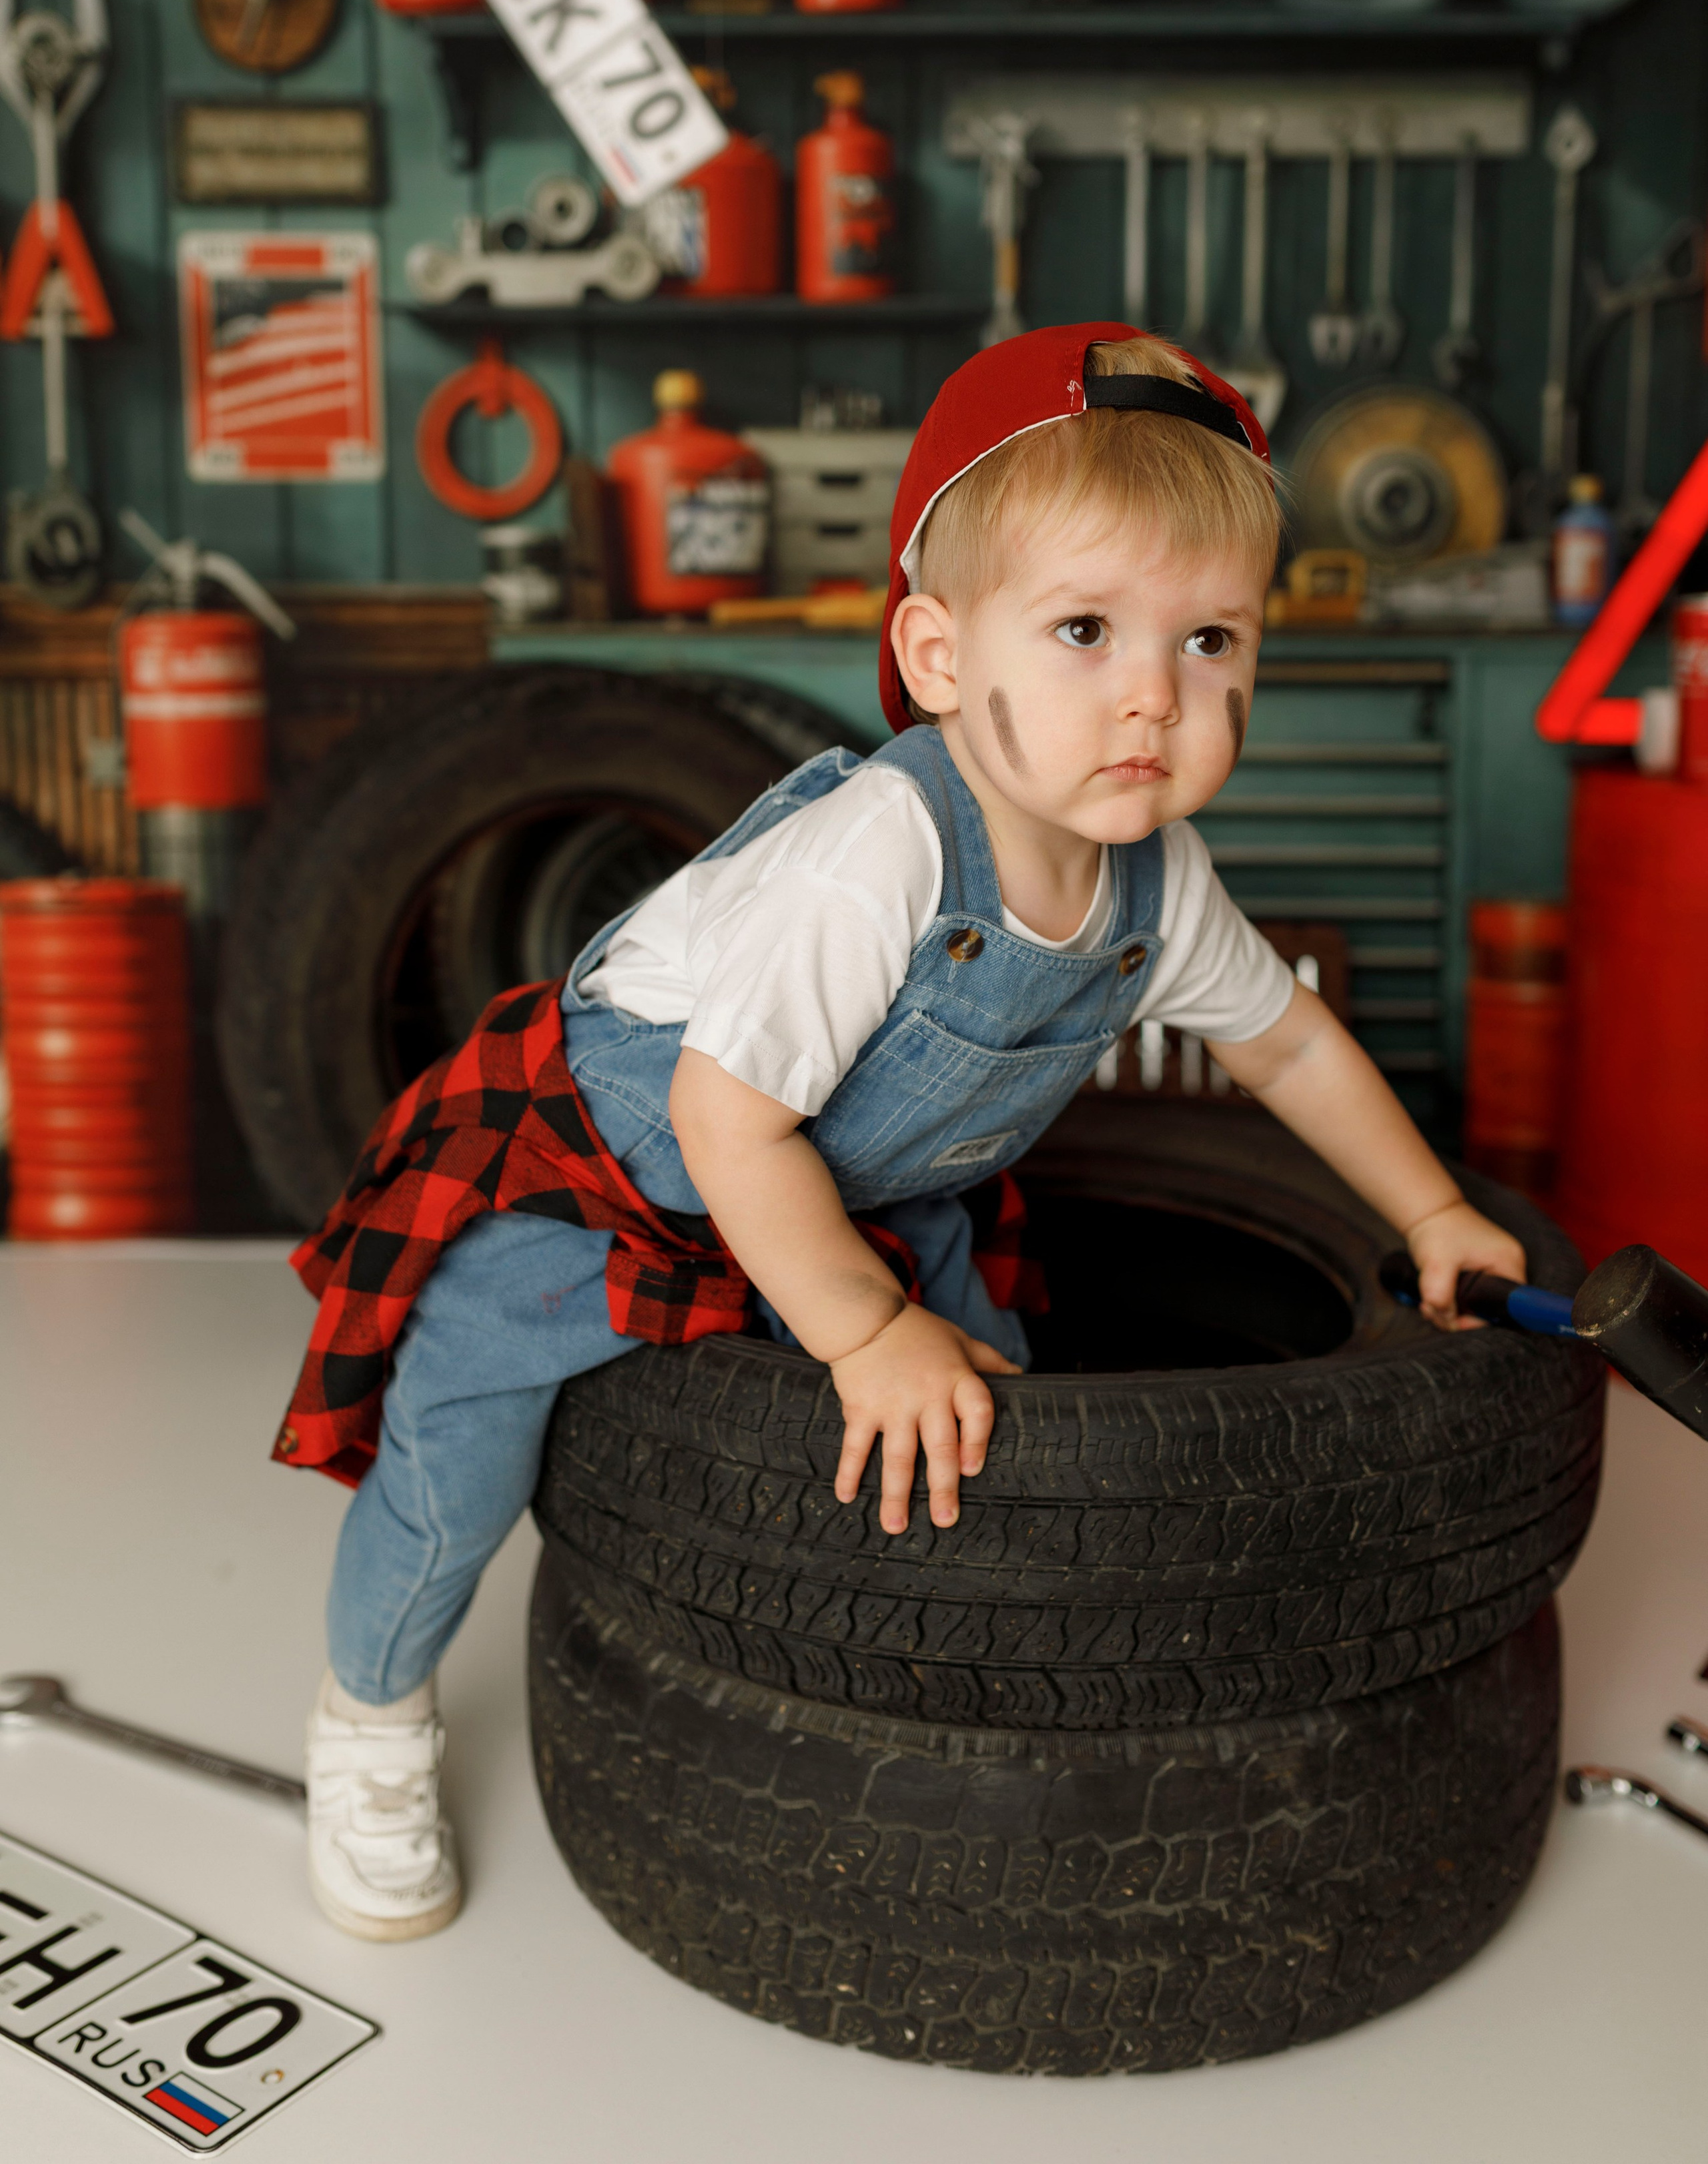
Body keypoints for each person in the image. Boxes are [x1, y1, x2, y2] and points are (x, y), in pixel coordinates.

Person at [274, 324, 1524, 1942]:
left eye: (1211, 638)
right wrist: (864, 1334)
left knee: (991, 1417)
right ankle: (367, 1721)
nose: (1154, 693)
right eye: (1082, 629)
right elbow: (726, 1123)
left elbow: (1286, 1045)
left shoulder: (1155, 876)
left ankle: (964, 1696)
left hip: (864, 1188)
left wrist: (1425, 1212)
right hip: (606, 1178)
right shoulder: (879, 853)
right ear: (938, 659)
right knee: (458, 1456)